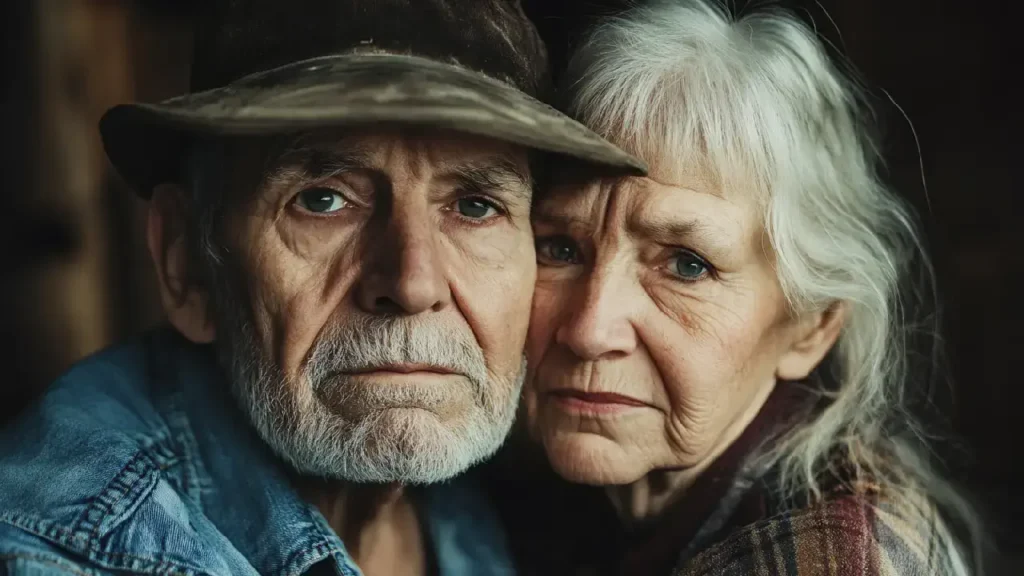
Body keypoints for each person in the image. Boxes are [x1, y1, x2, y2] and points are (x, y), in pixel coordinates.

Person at [0, 0, 644, 574]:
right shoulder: (71, 551)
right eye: (324, 199)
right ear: (186, 263)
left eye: (475, 206)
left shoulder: (531, 498)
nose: (413, 283)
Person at [518, 0, 981, 574]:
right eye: (560, 248)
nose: (589, 329)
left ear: (812, 325)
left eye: (687, 266)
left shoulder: (831, 558)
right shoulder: (550, 504)